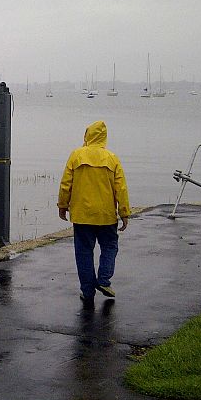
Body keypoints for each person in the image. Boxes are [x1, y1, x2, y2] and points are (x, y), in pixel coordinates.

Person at [57, 120, 130, 307]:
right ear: (104, 137)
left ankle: (87, 291)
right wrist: (124, 213)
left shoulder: (76, 155)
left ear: (87, 135)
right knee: (110, 246)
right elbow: (120, 189)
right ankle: (104, 280)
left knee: (83, 252)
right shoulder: (112, 158)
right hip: (106, 215)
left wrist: (62, 206)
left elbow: (66, 184)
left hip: (82, 215)